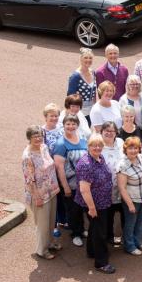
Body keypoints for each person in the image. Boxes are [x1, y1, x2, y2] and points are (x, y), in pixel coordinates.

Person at [75, 134, 115, 274]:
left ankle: (91, 251)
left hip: (102, 201)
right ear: (88, 146)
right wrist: (92, 208)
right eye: (94, 145)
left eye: (99, 145)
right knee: (100, 232)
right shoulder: (85, 164)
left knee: (94, 227)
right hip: (94, 204)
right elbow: (84, 190)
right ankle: (101, 263)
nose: (97, 148)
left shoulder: (100, 157)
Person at [22, 125, 60, 260]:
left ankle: (49, 243)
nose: (38, 138)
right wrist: (37, 197)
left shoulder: (43, 147)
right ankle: (41, 250)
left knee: (50, 221)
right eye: (34, 136)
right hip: (39, 195)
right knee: (42, 224)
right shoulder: (28, 157)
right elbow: (29, 180)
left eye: (39, 135)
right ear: (29, 139)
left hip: (51, 191)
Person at [54, 115, 87, 248]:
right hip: (70, 184)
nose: (71, 126)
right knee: (73, 210)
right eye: (68, 124)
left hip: (83, 183)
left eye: (73, 124)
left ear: (77, 125)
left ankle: (81, 229)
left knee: (81, 208)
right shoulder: (61, 144)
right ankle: (76, 234)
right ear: (64, 125)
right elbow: (59, 167)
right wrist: (65, 186)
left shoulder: (83, 139)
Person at [117, 136, 142, 255]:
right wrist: (130, 204)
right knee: (130, 224)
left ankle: (138, 241)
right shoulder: (122, 165)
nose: (133, 151)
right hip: (132, 200)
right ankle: (129, 246)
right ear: (125, 149)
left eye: (136, 148)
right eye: (130, 148)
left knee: (139, 222)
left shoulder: (141, 157)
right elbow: (122, 187)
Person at [42, 104, 65, 236]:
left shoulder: (61, 128)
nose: (54, 118)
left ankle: (63, 219)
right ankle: (54, 225)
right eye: (51, 116)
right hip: (50, 170)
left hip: (62, 168)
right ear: (46, 117)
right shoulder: (41, 131)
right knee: (53, 197)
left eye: (56, 115)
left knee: (62, 195)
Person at [100, 122, 125, 246]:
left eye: (112, 131)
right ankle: (109, 237)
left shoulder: (120, 142)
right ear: (102, 132)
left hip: (123, 187)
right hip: (106, 189)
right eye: (106, 130)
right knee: (108, 216)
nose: (109, 133)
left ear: (116, 133)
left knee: (124, 214)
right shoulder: (98, 146)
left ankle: (125, 237)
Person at [67, 47, 97, 120]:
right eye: (85, 58)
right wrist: (71, 113)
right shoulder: (75, 76)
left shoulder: (93, 72)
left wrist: (95, 106)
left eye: (90, 58)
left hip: (91, 110)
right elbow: (70, 97)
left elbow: (94, 92)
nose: (88, 60)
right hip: (79, 111)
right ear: (81, 59)